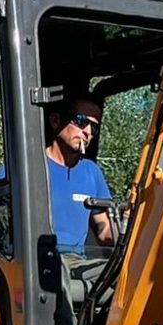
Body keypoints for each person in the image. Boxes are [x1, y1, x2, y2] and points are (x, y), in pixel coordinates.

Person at [44, 94, 115, 253]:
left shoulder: (91, 171)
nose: (88, 132)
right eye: (81, 121)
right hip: (33, 266)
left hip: (74, 268)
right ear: (55, 120)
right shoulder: (27, 166)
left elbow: (103, 230)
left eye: (94, 127)